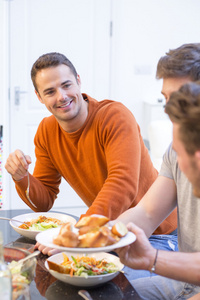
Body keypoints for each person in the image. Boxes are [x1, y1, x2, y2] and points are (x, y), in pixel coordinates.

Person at [5, 53, 177, 256]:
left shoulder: (114, 116)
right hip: (105, 233)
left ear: (78, 81)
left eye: (66, 85)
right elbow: (43, 203)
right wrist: (21, 177)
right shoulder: (46, 131)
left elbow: (121, 184)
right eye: (50, 91)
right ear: (39, 97)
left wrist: (79, 233)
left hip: (157, 234)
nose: (61, 96)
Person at [114, 44, 200, 299]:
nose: (168, 110)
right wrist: (92, 237)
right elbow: (148, 212)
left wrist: (152, 259)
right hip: (183, 279)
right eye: (166, 99)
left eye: (180, 98)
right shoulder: (177, 148)